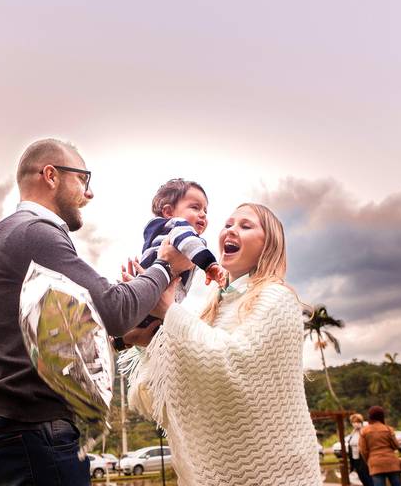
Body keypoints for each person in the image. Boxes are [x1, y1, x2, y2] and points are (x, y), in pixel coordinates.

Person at [0, 138, 190, 486]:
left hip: (15, 434)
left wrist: (123, 340)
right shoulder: (34, 233)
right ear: (51, 175)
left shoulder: (16, 233)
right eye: (83, 179)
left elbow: (57, 339)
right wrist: (165, 266)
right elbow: (115, 309)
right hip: (34, 435)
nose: (89, 193)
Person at [122, 203, 323, 486]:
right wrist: (145, 338)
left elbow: (236, 361)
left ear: (269, 244)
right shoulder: (214, 308)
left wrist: (168, 310)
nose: (231, 230)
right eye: (228, 224)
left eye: (245, 225)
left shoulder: (277, 298)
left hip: (278, 472)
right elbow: (181, 381)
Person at [140, 178, 228, 302]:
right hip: (154, 290)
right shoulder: (177, 226)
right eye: (195, 207)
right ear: (169, 212)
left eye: (205, 210)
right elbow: (187, 240)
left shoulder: (165, 233)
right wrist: (209, 264)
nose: (203, 214)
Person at [359, 406, 401, 486]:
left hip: (375, 463)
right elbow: (396, 445)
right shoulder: (388, 429)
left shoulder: (364, 431)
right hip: (391, 461)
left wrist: (369, 460)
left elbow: (363, 450)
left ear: (370, 416)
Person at [348, 413, 373, 486]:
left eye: (357, 422)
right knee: (362, 478)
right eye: (353, 422)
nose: (355, 424)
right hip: (355, 460)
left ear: (361, 422)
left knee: (368, 479)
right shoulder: (353, 432)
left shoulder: (364, 430)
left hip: (363, 459)